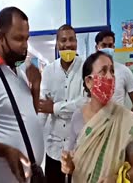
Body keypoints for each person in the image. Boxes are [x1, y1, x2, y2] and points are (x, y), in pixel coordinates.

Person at [0, 7, 44, 183]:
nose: (25, 46)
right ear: (1, 37)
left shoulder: (18, 73)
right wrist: (6, 151)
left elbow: (25, 117)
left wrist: (35, 88)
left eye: (26, 38)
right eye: (19, 38)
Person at [62, 51, 133, 183]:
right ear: (89, 81)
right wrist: (68, 165)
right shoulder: (77, 117)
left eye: (112, 71)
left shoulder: (124, 121)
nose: (110, 76)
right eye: (104, 71)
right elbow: (73, 162)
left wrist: (117, 179)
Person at [39, 24, 85, 183]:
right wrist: (34, 139)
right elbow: (42, 109)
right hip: (54, 147)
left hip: (80, 147)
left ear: (76, 42)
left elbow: (84, 104)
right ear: (57, 44)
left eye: (72, 40)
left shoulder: (86, 68)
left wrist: (54, 108)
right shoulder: (49, 71)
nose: (68, 44)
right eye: (63, 40)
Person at [95, 30, 133, 114]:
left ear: (114, 48)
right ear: (97, 47)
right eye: (104, 45)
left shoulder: (124, 71)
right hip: (96, 123)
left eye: (110, 46)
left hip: (118, 124)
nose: (107, 49)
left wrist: (130, 124)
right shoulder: (90, 71)